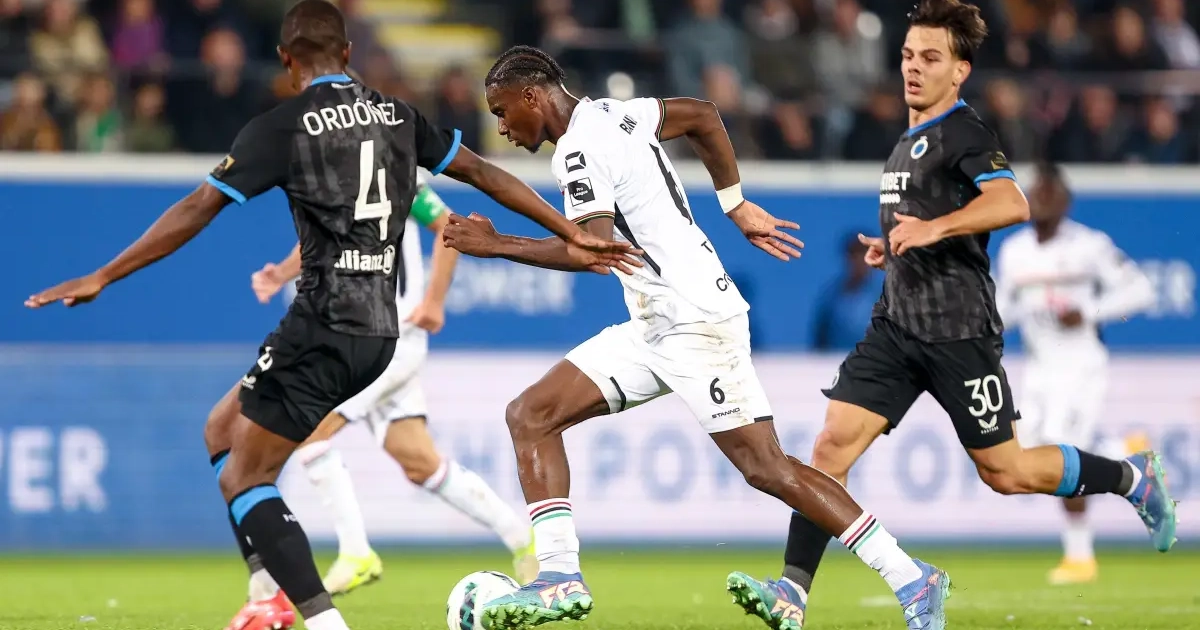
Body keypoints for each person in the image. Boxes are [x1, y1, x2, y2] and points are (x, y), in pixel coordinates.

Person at [24, 3, 635, 630]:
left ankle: (319, 619)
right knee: (222, 430)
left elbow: (197, 208)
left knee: (244, 477)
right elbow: (483, 173)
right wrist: (570, 230)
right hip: (380, 331)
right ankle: (266, 596)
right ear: (346, 53)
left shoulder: (283, 127)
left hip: (325, 321)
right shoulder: (398, 117)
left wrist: (104, 274)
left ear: (286, 61)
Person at [442, 44, 951, 630]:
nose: (502, 127)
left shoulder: (579, 151)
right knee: (530, 414)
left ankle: (911, 577)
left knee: (766, 468)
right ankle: (559, 577)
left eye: (502, 111)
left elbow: (596, 251)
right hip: (655, 323)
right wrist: (734, 203)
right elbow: (703, 115)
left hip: (695, 320)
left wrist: (497, 244)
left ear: (532, 96)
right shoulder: (618, 113)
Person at [725, 2, 1178, 628]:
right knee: (829, 447)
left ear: (959, 71)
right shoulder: (905, 141)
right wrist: (894, 248)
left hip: (958, 333)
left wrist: (933, 229)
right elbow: (926, 226)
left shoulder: (965, 133)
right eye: (908, 55)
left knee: (1007, 471)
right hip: (896, 326)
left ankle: (1131, 477)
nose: (913, 67)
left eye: (931, 58)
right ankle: (792, 593)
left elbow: (1011, 202)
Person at [249, 174, 537, 597]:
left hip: (389, 338)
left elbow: (449, 227)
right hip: (363, 338)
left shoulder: (395, 177)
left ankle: (355, 553)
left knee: (310, 431)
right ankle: (523, 540)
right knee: (422, 463)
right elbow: (318, 243)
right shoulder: (333, 180)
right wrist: (280, 274)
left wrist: (434, 301)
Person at [995, 162, 1157, 585]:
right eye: (1037, 194)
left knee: (1066, 451)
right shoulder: (1014, 250)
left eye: (1050, 194)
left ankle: (1080, 556)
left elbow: (1140, 290)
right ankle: (1125, 451)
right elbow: (1005, 309)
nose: (1042, 202)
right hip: (1039, 365)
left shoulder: (1090, 245)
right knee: (1030, 453)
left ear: (1065, 201)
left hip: (1080, 361)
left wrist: (1088, 311)